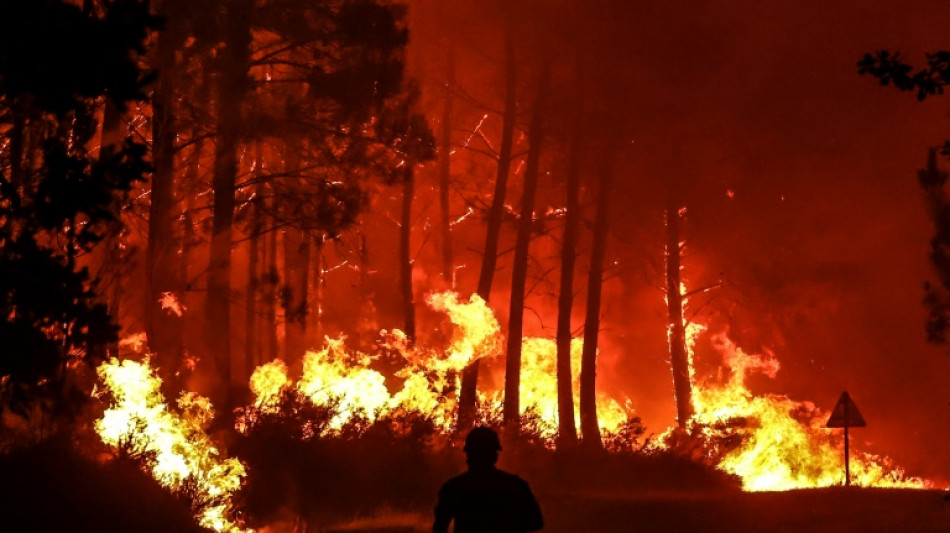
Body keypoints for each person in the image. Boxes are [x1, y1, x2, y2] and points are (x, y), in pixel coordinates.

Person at [433, 426, 543, 533]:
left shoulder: (454, 488)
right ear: (494, 455)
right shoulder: (515, 486)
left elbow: (440, 527)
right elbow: (536, 523)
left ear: (468, 454)